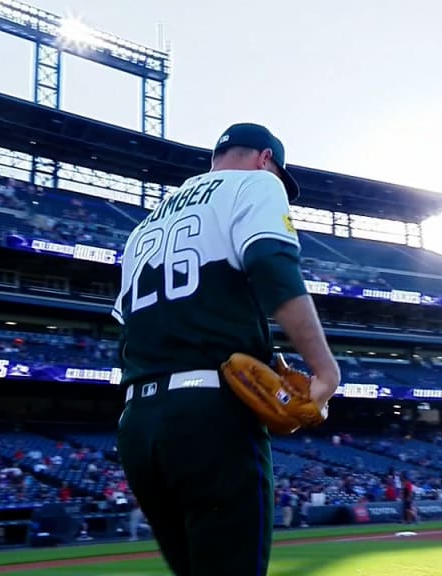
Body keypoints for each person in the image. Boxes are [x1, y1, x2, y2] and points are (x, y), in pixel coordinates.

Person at [113, 123, 339, 576]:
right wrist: (324, 371)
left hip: (138, 427)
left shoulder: (145, 226)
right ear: (264, 158)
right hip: (211, 416)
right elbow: (272, 266)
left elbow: (129, 323)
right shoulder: (257, 184)